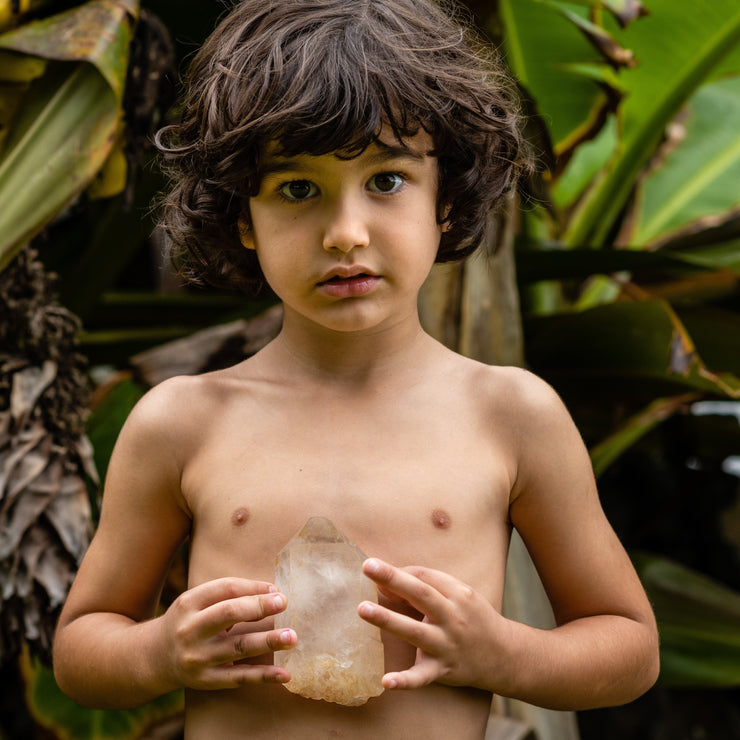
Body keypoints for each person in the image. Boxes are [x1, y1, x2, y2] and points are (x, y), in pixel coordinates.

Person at [52, 0, 660, 737]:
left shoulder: (509, 415)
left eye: (387, 181)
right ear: (244, 219)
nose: (346, 233)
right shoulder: (183, 421)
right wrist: (159, 651)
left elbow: (629, 646)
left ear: (446, 200)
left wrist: (503, 654)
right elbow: (83, 649)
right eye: (298, 189)